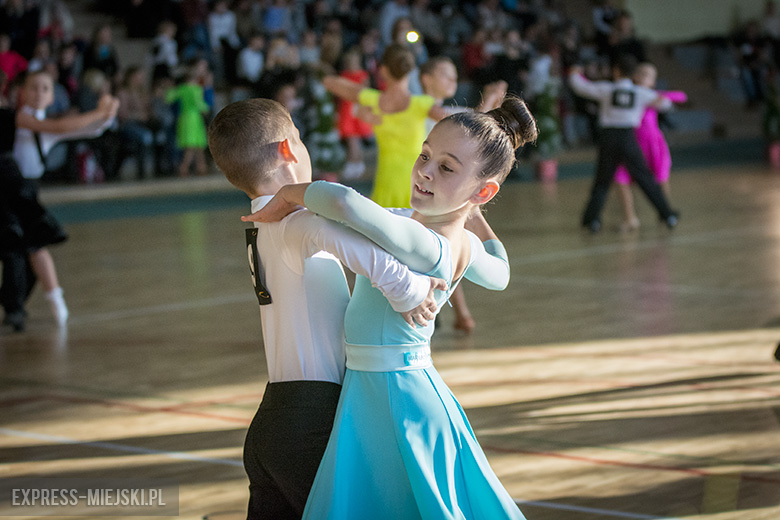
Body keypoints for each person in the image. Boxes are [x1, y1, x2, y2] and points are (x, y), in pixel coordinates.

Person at [242, 96, 537, 519]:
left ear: (483, 188)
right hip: (380, 388)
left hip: (394, 392)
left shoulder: (427, 244)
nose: (425, 171)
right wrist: (473, 210)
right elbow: (502, 271)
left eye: (447, 168)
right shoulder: (450, 241)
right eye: (425, 155)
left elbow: (342, 203)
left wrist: (288, 195)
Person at [207, 97, 443, 520]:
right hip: (310, 418)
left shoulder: (267, 226)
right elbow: (354, 245)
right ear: (287, 149)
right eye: (299, 136)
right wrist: (412, 291)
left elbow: (360, 222)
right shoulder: (294, 223)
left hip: (274, 422)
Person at [8, 70, 118, 329]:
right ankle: (51, 301)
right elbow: (60, 127)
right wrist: (100, 113)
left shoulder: (43, 125)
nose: (39, 93)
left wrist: (107, 113)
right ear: (21, 92)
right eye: (34, 88)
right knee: (28, 248)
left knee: (31, 251)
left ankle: (39, 303)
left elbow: (85, 130)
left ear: (51, 97)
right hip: (8, 193)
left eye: (45, 89)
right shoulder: (19, 118)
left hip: (27, 192)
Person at [419, 55, 506, 335]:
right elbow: (465, 125)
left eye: (455, 76)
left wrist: (491, 104)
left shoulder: (449, 111)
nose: (452, 81)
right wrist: (488, 103)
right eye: (445, 74)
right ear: (426, 79)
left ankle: (458, 312)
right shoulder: (420, 107)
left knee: (446, 250)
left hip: (439, 191)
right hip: (418, 188)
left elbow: (473, 124)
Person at [322, 43, 448, 208]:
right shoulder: (422, 104)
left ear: (383, 70)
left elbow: (329, 82)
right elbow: (458, 124)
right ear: (410, 70)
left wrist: (361, 93)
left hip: (386, 182)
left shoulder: (374, 100)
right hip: (417, 183)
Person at [568, 55, 679, 233]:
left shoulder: (607, 89)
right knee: (645, 178)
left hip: (608, 138)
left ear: (616, 71)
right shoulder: (640, 93)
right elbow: (665, 104)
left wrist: (574, 73)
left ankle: (593, 221)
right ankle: (668, 215)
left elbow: (581, 87)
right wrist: (659, 101)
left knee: (602, 181)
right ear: (633, 73)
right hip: (628, 138)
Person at [613, 62, 687, 232]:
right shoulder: (628, 95)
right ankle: (629, 218)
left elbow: (681, 96)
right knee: (620, 177)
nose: (642, 76)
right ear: (634, 75)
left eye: (648, 75)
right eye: (640, 73)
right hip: (631, 143)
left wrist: (659, 96)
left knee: (661, 178)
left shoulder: (652, 95)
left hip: (652, 144)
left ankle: (664, 213)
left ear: (653, 81)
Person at [166, 60, 210, 177]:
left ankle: (200, 166)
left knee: (194, 144)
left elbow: (168, 98)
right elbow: (199, 104)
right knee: (195, 144)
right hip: (194, 118)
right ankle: (185, 167)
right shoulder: (196, 89)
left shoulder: (181, 89)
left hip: (184, 117)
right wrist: (206, 108)